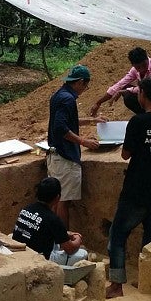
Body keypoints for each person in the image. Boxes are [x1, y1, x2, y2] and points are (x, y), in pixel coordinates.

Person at [105, 77, 151, 299]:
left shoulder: (138, 122)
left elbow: (126, 154)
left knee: (117, 235)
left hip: (137, 191)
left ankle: (116, 285)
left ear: (143, 94)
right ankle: (148, 282)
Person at [46, 64, 106, 229]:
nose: (84, 89)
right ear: (80, 82)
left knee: (56, 201)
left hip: (56, 156)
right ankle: (63, 242)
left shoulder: (59, 95)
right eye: (85, 86)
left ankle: (56, 241)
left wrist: (92, 120)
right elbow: (61, 128)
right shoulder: (68, 99)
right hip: (64, 158)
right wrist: (83, 142)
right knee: (63, 203)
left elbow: (67, 122)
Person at [12, 177, 88, 266]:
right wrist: (78, 239)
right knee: (83, 254)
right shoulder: (52, 218)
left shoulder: (27, 209)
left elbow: (39, 228)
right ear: (57, 197)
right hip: (39, 258)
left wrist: (66, 234)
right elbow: (70, 249)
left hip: (21, 252)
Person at [89, 47, 151, 117]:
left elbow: (149, 89)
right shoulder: (135, 70)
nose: (142, 69)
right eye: (138, 67)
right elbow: (120, 84)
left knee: (129, 92)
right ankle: (146, 116)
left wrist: (126, 90)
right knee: (126, 91)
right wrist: (98, 102)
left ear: (147, 59)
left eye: (144, 65)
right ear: (133, 65)